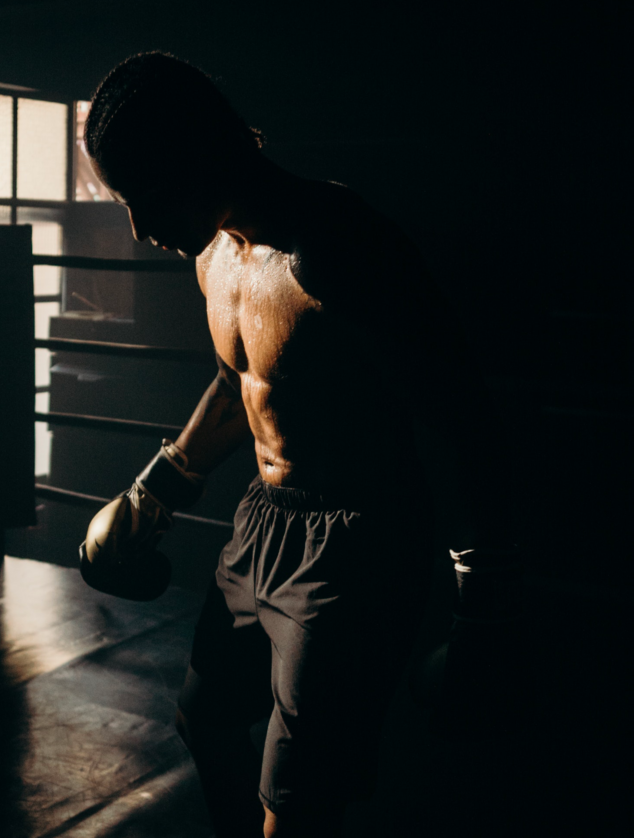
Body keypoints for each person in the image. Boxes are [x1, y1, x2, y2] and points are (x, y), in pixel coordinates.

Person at [78, 53, 516, 837]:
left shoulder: (342, 247)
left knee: (298, 805)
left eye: (148, 195)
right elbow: (236, 381)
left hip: (358, 545)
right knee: (202, 722)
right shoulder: (215, 252)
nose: (140, 229)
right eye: (124, 202)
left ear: (198, 152)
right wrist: (156, 490)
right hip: (261, 524)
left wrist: (480, 608)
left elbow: (459, 416)